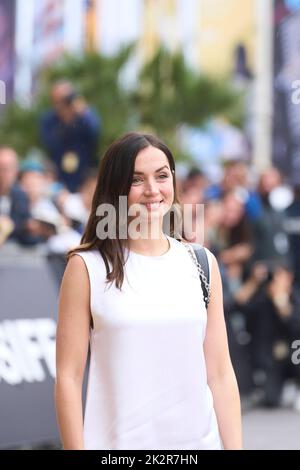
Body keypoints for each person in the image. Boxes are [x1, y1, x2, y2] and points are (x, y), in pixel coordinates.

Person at [55, 132, 242, 450]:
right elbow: (68, 378)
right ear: (116, 188)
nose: (153, 190)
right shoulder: (86, 267)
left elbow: (221, 373)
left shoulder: (201, 263)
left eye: (162, 176)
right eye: (137, 179)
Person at [40, 80, 100, 193]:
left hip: (84, 177)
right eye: (59, 101)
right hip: (59, 179)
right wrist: (65, 122)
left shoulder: (85, 115)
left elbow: (95, 133)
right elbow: (50, 144)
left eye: (66, 99)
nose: (63, 104)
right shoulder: (49, 120)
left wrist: (83, 113)